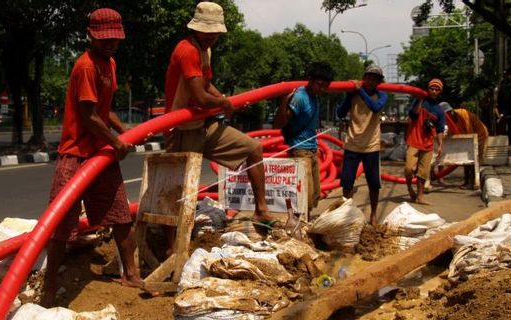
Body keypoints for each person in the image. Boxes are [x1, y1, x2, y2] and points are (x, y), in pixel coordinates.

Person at [42, 8, 141, 307]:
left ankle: (132, 274)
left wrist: (126, 132)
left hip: (99, 153)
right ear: (91, 36)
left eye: (115, 38)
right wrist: (117, 142)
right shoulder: (85, 66)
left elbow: (103, 108)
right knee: (61, 226)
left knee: (120, 215)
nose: (110, 43)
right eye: (104, 38)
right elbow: (87, 116)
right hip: (76, 156)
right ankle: (50, 288)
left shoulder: (109, 63)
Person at [164, 2, 273, 227]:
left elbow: (206, 85)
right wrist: (223, 102)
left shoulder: (205, 51)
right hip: (181, 129)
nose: (211, 36)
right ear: (196, 28)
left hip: (203, 124)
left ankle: (261, 210)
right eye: (207, 31)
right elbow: (202, 98)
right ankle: (171, 243)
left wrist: (226, 100)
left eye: (214, 32)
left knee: (254, 148)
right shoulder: (187, 50)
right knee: (179, 189)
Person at [273, 62, 334, 213]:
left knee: (313, 195)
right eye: (319, 84)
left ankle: (305, 223)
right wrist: (283, 102)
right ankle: (302, 227)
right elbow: (279, 123)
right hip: (300, 151)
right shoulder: (300, 98)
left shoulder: (315, 98)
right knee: (304, 195)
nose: (321, 89)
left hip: (312, 149)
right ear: (310, 80)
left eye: (325, 86)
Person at [336, 65, 388, 224]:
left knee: (373, 183)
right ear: (364, 78)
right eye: (368, 77)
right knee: (347, 182)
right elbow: (339, 113)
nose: (371, 81)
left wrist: (360, 91)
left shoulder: (381, 95)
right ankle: (346, 214)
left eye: (375, 79)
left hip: (371, 145)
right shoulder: (354, 95)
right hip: (353, 144)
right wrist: (348, 95)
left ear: (379, 82)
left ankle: (373, 214)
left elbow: (375, 107)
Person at [405, 79, 445, 205]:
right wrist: (420, 99)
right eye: (432, 88)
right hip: (414, 140)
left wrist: (440, 145)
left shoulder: (439, 110)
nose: (433, 91)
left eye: (436, 89)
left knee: (423, 173)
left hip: (427, 144)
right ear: (428, 89)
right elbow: (412, 115)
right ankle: (410, 188)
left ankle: (420, 197)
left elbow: (440, 129)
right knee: (409, 169)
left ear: (439, 92)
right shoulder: (420, 101)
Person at [441, 103, 489, 189]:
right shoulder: (448, 120)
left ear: (451, 112)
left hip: (480, 135)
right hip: (469, 137)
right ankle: (467, 181)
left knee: (473, 159)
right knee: (466, 158)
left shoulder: (463, 114)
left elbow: (469, 132)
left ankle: (472, 182)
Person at [496, 66, 511, 144]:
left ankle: (510, 141)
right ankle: (510, 141)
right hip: (508, 110)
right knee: (509, 128)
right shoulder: (508, 86)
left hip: (510, 111)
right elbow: (501, 99)